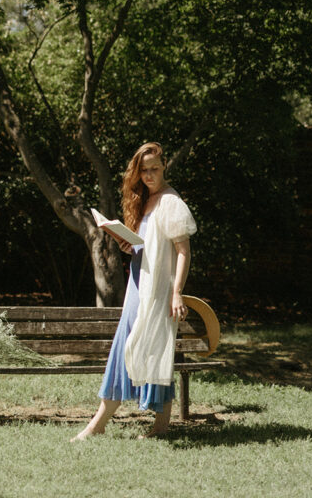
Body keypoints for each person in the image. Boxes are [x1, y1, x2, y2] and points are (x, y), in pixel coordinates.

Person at [72, 141, 196, 440]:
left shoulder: (171, 202)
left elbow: (183, 252)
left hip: (158, 292)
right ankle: (100, 425)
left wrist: (176, 292)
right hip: (138, 288)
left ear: (164, 165)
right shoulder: (145, 200)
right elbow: (149, 248)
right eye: (144, 171)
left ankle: (154, 426)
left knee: (156, 352)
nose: (150, 175)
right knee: (125, 351)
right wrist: (129, 245)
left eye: (155, 168)